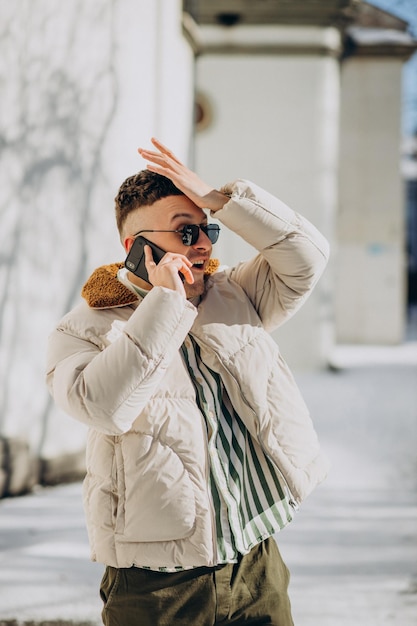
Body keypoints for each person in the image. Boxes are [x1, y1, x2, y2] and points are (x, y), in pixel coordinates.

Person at [46, 137, 330, 626]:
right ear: (136, 247)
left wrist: (222, 198)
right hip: (158, 588)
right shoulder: (84, 329)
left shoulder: (237, 294)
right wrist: (165, 304)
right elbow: (104, 407)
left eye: (208, 228)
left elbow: (307, 256)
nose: (203, 243)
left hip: (255, 563)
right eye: (186, 231)